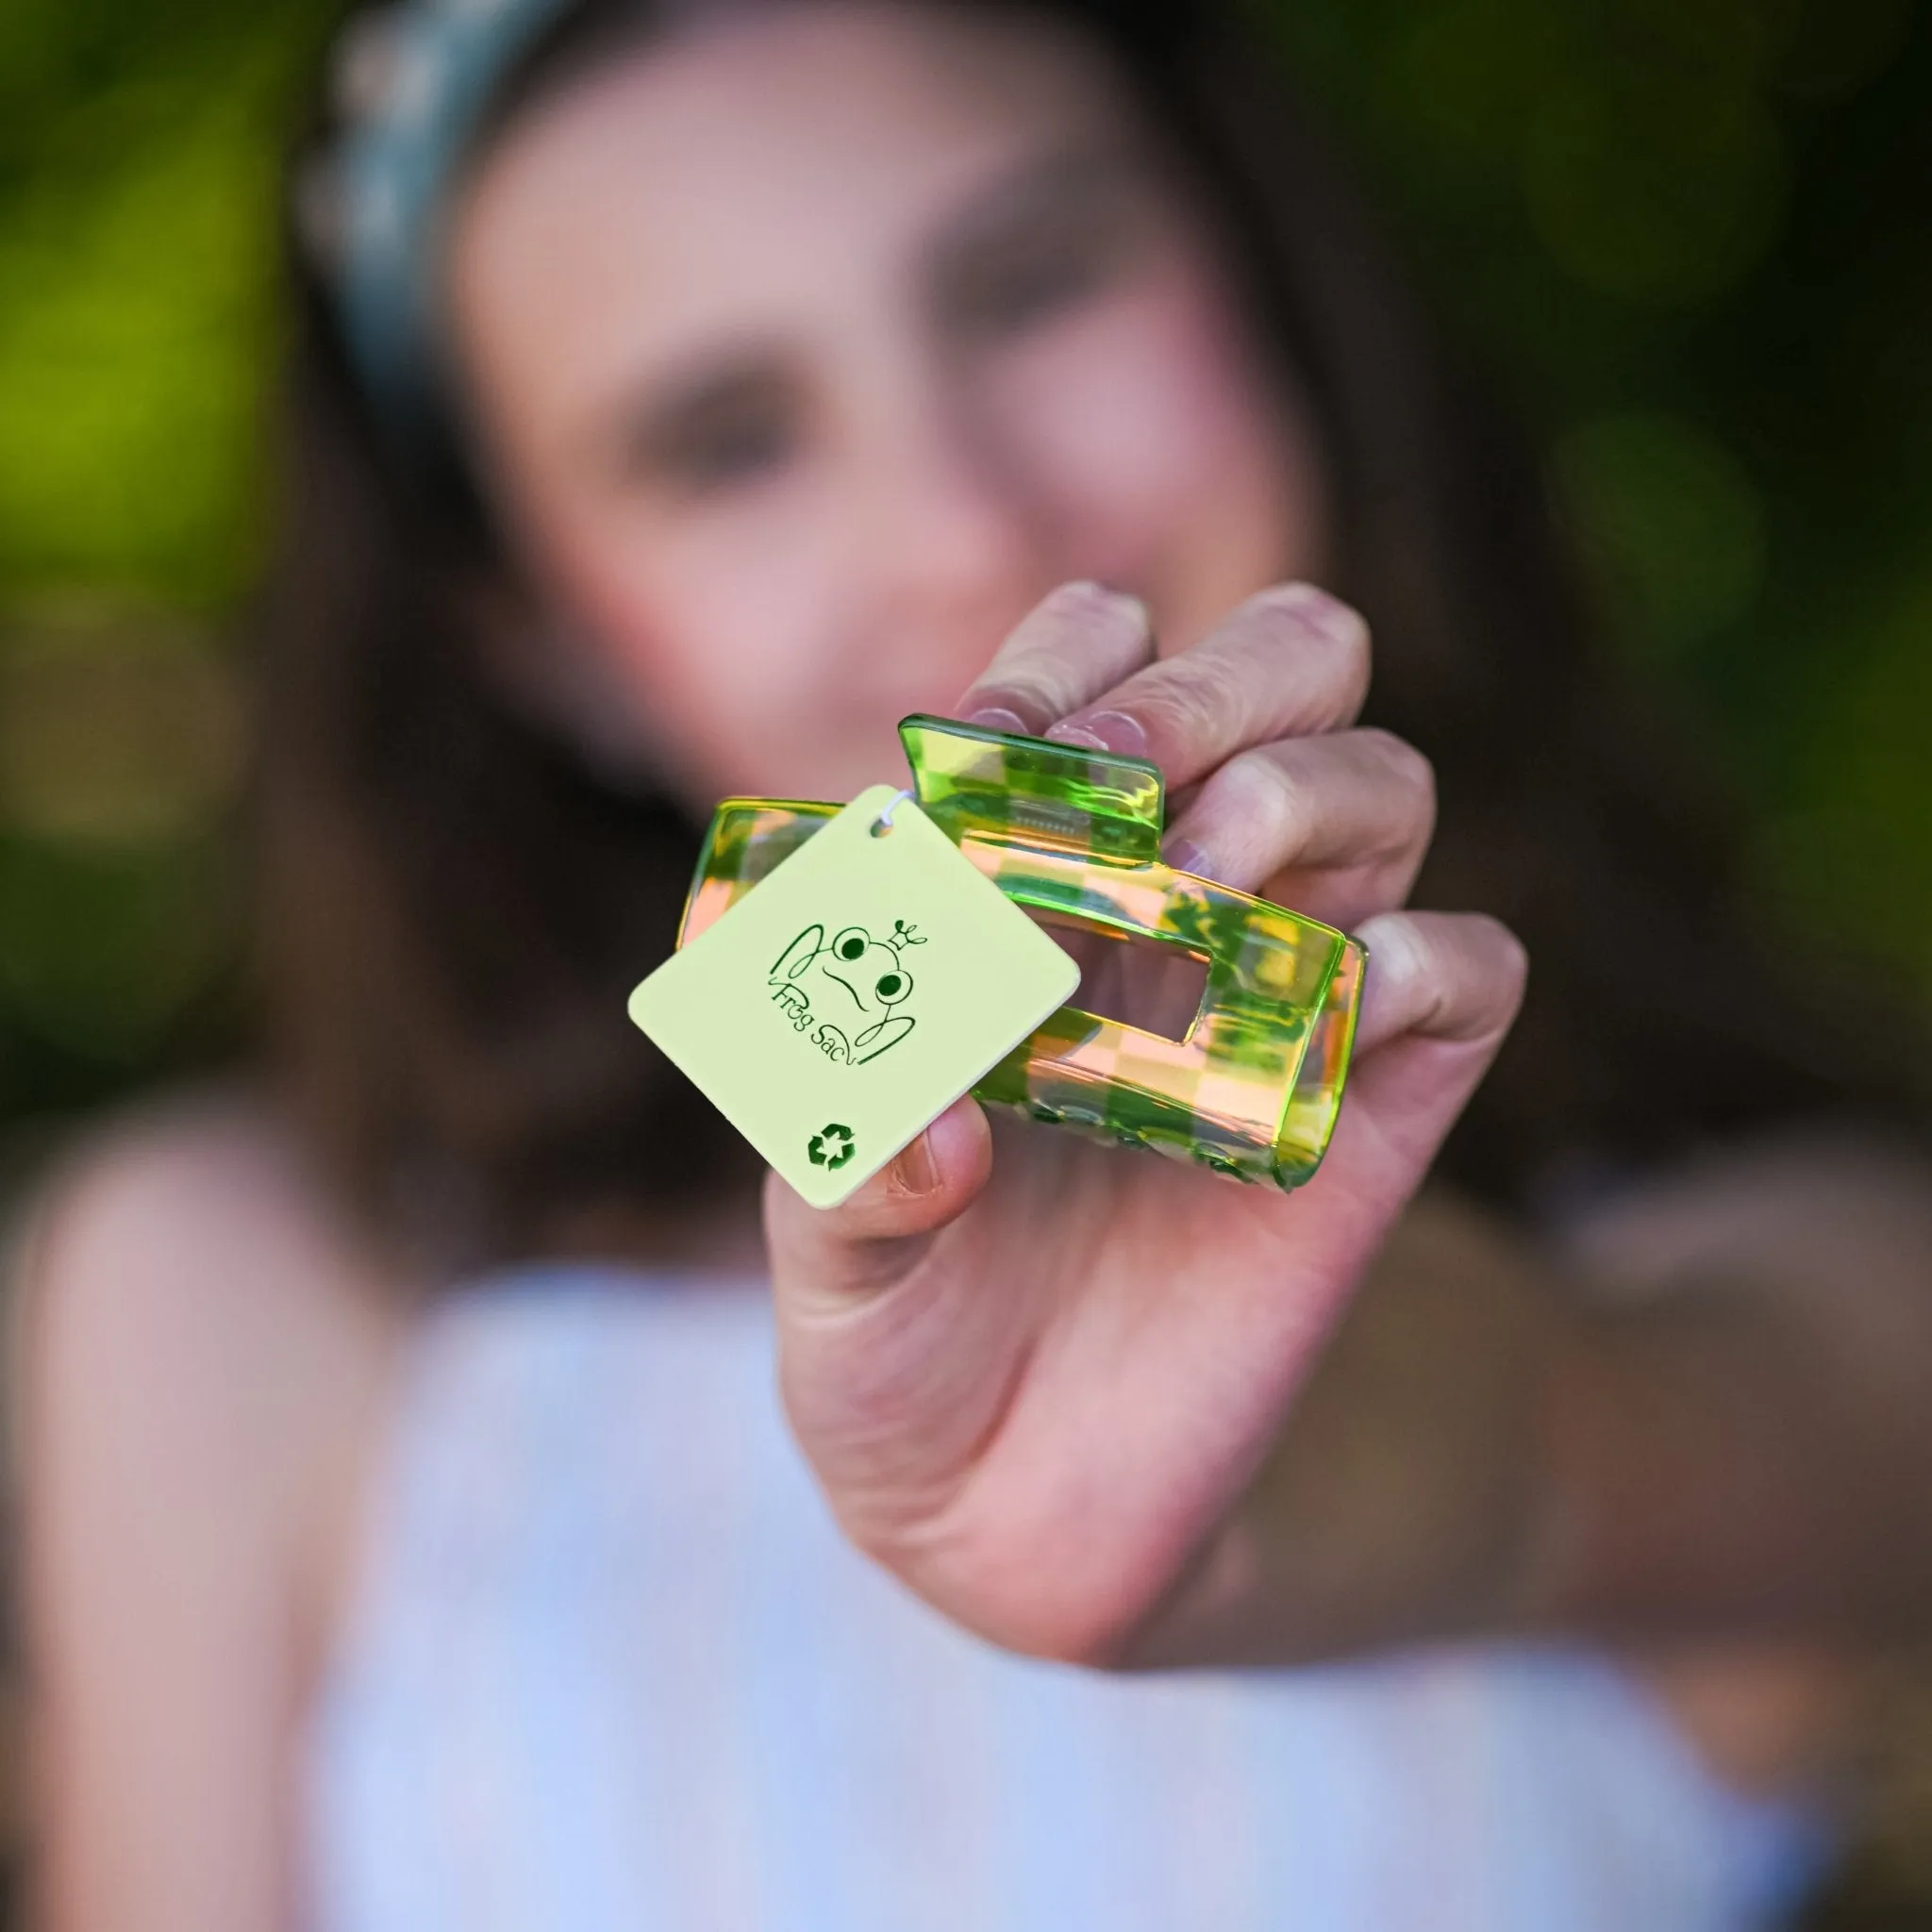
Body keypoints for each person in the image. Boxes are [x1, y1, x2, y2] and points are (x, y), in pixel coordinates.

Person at [8, 0, 1930, 1925]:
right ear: (540, 643)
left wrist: (1213, 1468)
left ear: (1268, 286)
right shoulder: (227, 1291)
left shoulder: (1816, 1271)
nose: (966, 523)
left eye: (1029, 284)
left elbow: (1530, 1455)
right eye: (723, 442)